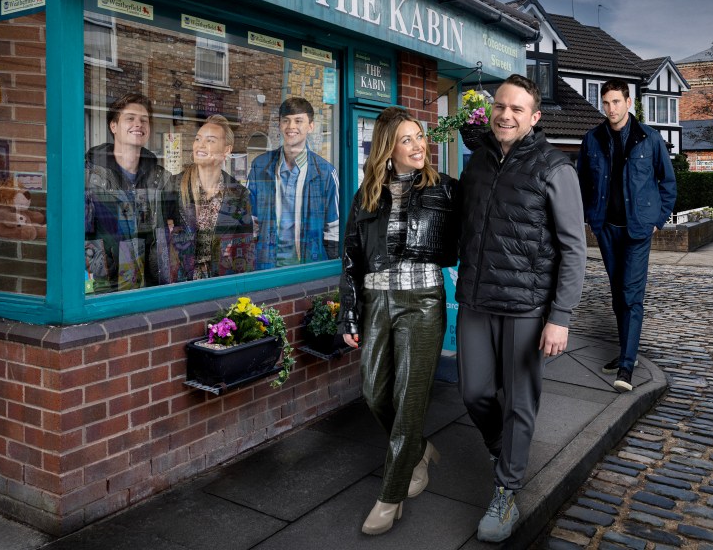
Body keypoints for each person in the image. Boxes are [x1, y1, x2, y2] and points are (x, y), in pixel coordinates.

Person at [456, 74, 586, 543]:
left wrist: (560, 317)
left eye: (516, 109)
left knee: (519, 402)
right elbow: (462, 224)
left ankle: (506, 491)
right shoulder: (477, 162)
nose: (505, 115)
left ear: (534, 117)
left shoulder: (555, 168)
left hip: (527, 306)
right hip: (476, 298)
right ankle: (504, 449)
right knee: (474, 392)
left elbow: (574, 249)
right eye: (500, 106)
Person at [337, 106, 459, 535]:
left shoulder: (446, 189)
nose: (418, 145)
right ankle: (419, 449)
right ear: (388, 149)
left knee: (408, 399)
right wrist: (350, 313)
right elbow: (351, 257)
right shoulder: (367, 194)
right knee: (374, 393)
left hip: (423, 301)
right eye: (406, 139)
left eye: (420, 136)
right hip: (376, 301)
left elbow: (476, 231)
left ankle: (390, 497)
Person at [576, 79, 676, 392]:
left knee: (632, 296)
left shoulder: (649, 138)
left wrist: (657, 220)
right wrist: (589, 216)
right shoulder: (592, 139)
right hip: (606, 229)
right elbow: (581, 183)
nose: (611, 109)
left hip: (637, 230)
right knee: (618, 294)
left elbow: (668, 183)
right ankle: (625, 353)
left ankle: (626, 368)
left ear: (628, 102)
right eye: (606, 103)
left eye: (616, 102)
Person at [85, 92, 173, 293]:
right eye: (130, 118)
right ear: (113, 126)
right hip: (104, 288)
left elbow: (172, 227)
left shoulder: (162, 179)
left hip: (151, 288)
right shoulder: (87, 175)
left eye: (144, 120)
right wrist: (100, 268)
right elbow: (75, 231)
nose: (138, 124)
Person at [155, 115, 254, 282]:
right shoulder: (173, 186)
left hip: (221, 284)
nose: (200, 145)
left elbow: (245, 250)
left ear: (226, 150)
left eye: (210, 140)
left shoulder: (238, 194)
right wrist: (166, 287)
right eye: (198, 139)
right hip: (180, 284)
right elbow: (161, 246)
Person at [247, 97, 339, 269]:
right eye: (286, 121)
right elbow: (251, 221)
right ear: (279, 125)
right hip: (266, 268)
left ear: (311, 126)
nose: (291, 126)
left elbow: (334, 229)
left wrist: (325, 271)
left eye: (298, 121)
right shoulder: (260, 166)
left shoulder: (326, 172)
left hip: (308, 269)